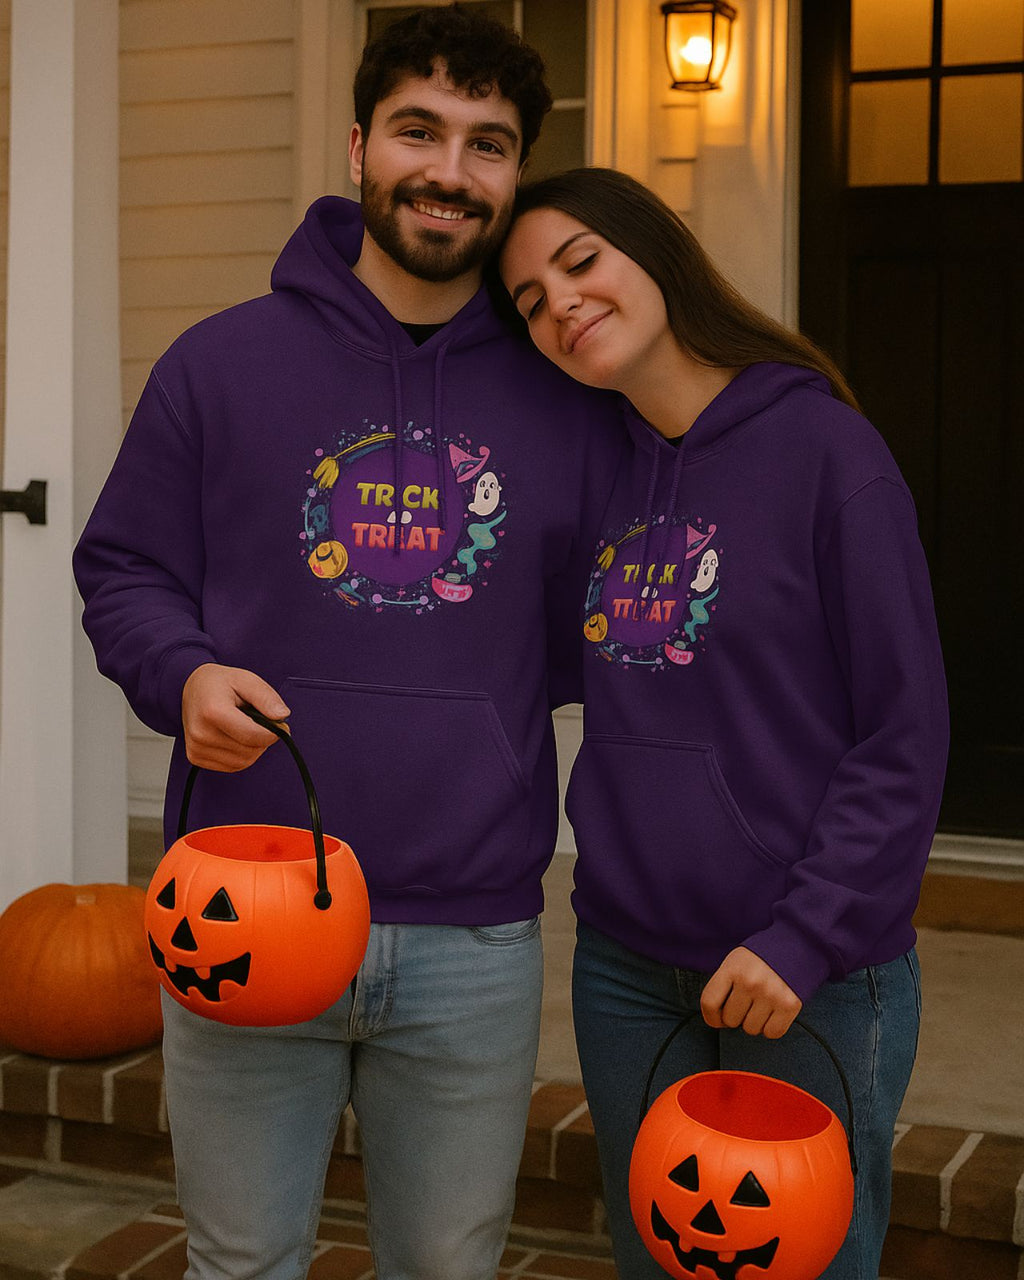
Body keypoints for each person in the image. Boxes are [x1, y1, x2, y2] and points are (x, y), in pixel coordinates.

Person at [73, 12, 623, 1279]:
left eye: (489, 145)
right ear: (360, 143)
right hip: (244, 901)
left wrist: (459, 710)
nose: (450, 168)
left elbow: (585, 628)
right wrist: (183, 671)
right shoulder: (220, 366)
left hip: (471, 932)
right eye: (420, 129)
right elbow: (125, 567)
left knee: (447, 1263)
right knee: (243, 1261)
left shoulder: (566, 398)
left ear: (515, 173)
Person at [499, 167, 949, 1279]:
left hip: (809, 970)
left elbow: (904, 730)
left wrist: (806, 931)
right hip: (626, 959)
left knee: (802, 1266)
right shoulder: (597, 469)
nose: (558, 304)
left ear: (655, 252)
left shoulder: (826, 456)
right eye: (525, 299)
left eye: (579, 262)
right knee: (660, 1256)